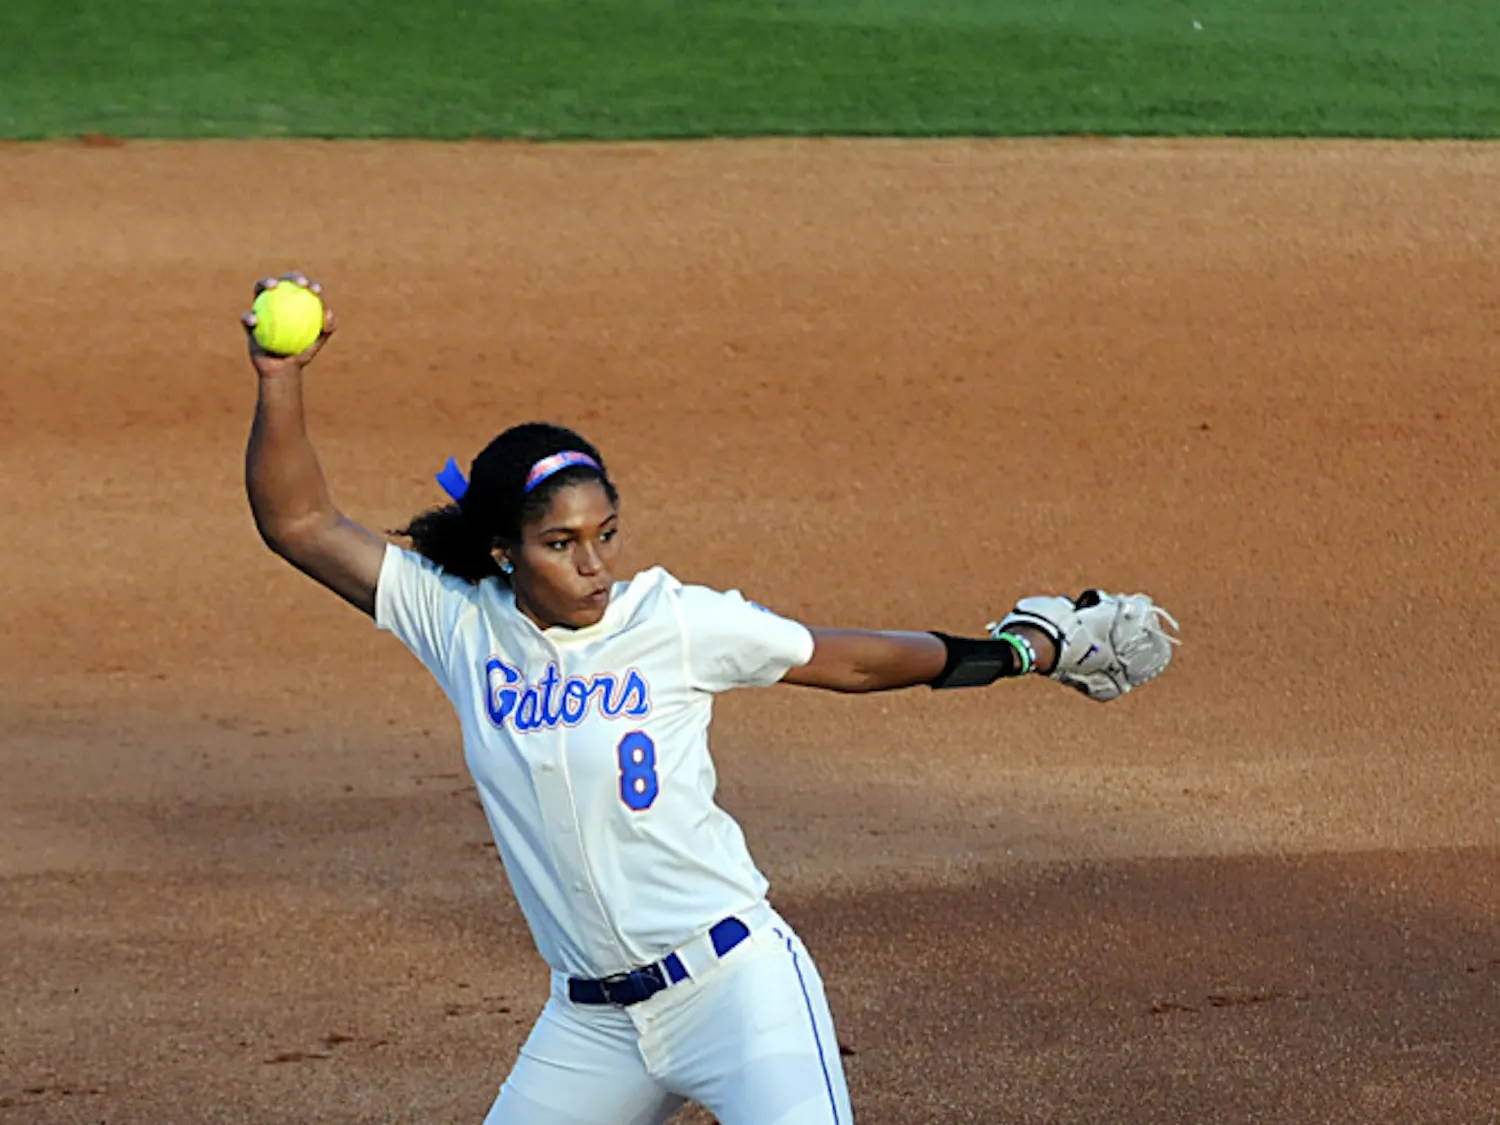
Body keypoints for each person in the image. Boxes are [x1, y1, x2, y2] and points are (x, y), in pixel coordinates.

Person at [240, 274, 1177, 1125]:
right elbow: (301, 522)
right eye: (562, 544)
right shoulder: (461, 624)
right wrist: (280, 378)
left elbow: (845, 659)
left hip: (733, 987)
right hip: (593, 1020)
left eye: (605, 533)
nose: (595, 563)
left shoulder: (672, 621)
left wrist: (1020, 650)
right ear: (502, 553)